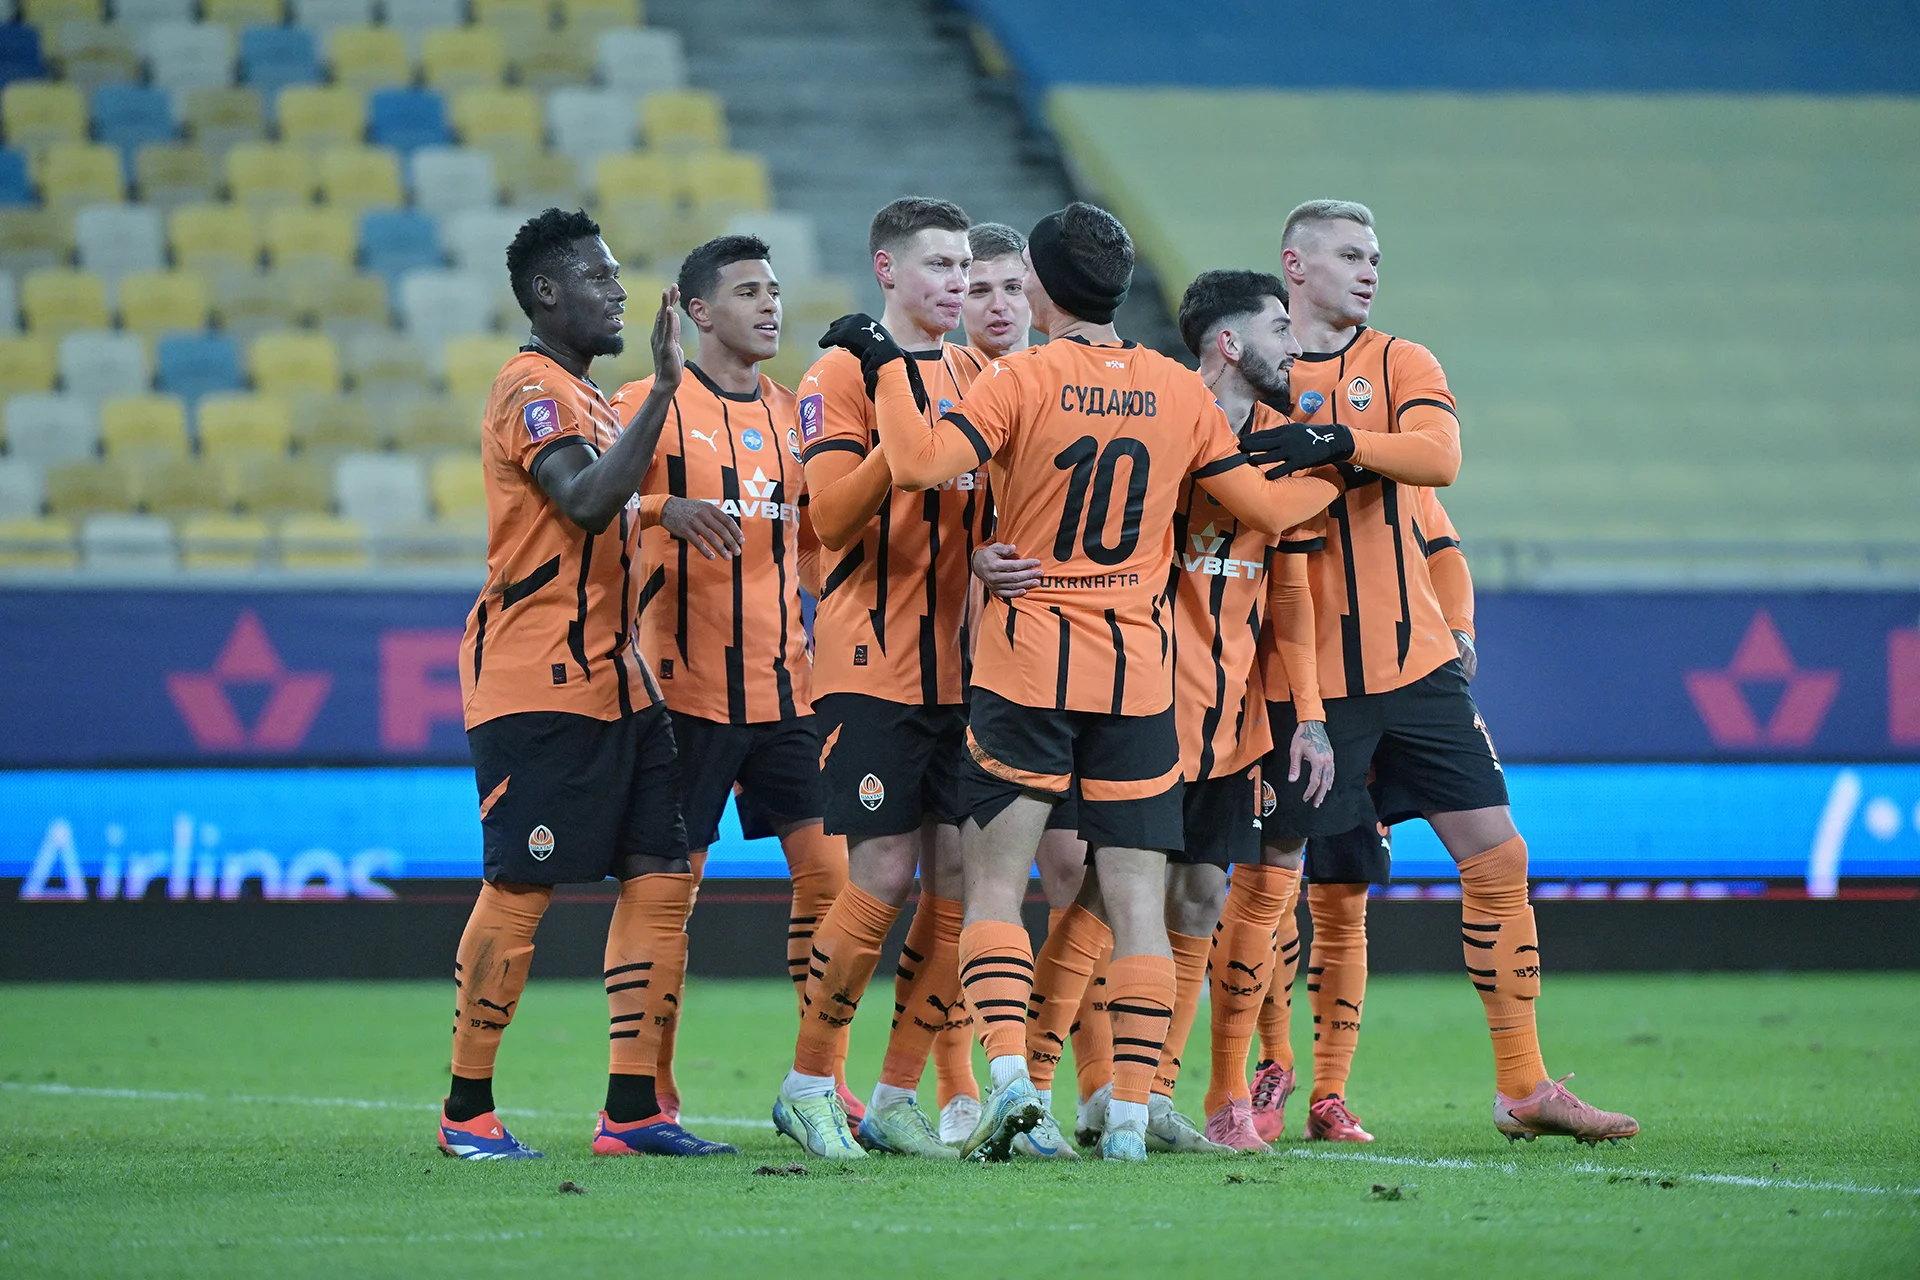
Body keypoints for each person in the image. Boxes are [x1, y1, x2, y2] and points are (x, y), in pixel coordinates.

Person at [844, 201, 1343, 1161]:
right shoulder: (1177, 388)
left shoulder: (1019, 379)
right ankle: (1127, 1119)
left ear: (1038, 285)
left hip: (1029, 663)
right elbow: (1268, 509)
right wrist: (1333, 463)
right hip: (1138, 678)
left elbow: (914, 462)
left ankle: (1012, 1090)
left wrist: (892, 368)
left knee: (996, 890)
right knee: (1138, 904)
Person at [1240, 198, 1638, 1144]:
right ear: (1296, 266)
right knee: (1279, 886)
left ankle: (1522, 1085)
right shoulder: (1254, 376)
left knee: (1499, 856)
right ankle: (1259, 1078)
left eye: (1375, 256)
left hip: (1416, 672)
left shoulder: (1403, 363)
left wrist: (1340, 444)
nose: (1369, 270)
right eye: (1349, 255)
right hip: (1304, 681)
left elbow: (1439, 463)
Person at [989, 268, 1335, 1156]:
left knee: (1201, 896)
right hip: (1141, 702)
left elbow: (1288, 593)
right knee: (1102, 899)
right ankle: (1033, 1089)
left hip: (1230, 720)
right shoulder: (1162, 425)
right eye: (1279, 327)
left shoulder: (1285, 447)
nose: (1295, 346)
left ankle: (1146, 1096)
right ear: (1230, 341)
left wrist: (1307, 715)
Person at [439, 208, 742, 1160]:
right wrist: (668, 390)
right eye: (597, 278)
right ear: (546, 293)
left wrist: (661, 506)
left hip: (623, 683)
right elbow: (581, 499)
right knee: (522, 885)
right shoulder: (530, 388)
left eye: (616, 276)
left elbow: (611, 502)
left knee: (662, 877)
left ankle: (632, 1109)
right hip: (537, 681)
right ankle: (466, 1111)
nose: (617, 292)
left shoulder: (590, 398)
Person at [772, 198, 996, 1161]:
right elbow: (826, 517)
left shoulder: (976, 373)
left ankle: (897, 1094)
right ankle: (810, 1082)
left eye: (965, 266)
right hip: (870, 662)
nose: (957, 282)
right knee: (883, 872)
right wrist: (896, 437)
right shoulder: (839, 371)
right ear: (887, 270)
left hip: (968, 670)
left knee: (959, 884)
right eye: (939, 264)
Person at [606, 234, 848, 1126]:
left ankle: (820, 1082)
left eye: (774, 289)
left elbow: (817, 550)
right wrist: (661, 507)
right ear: (698, 312)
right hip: (683, 699)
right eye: (748, 291)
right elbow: (580, 503)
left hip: (789, 695)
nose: (770, 304)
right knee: (666, 898)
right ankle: (645, 1093)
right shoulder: (647, 404)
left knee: (836, 883)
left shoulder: (795, 416)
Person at [1242, 487, 1474, 1144]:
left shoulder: (1398, 477)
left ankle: (1330, 1094)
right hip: (1281, 701)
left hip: (1370, 704)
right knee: (1269, 894)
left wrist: (1459, 629)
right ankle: (1273, 1064)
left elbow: (1445, 551)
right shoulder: (1283, 469)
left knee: (1345, 901)